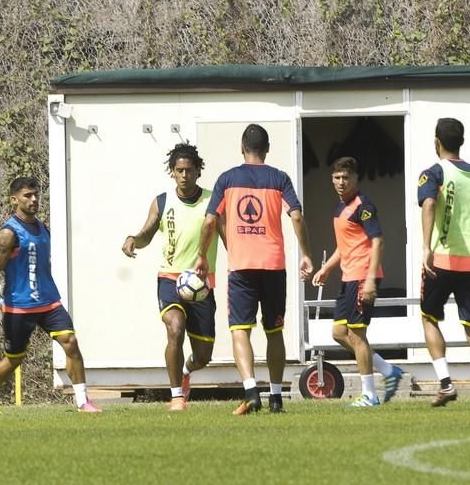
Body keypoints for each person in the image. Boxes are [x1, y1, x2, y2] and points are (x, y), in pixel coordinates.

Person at [194, 124, 313, 415]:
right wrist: (305, 254)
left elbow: (210, 222)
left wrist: (201, 256)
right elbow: (296, 216)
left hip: (241, 267)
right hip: (273, 265)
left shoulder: (227, 179)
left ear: (241, 148)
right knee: (275, 331)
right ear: (267, 148)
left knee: (239, 330)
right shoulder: (279, 178)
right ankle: (275, 397)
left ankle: (250, 391)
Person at [0, 177, 101, 413]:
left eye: (36, 194)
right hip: (19, 306)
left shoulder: (41, 227)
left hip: (49, 303)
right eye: (28, 195)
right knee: (14, 359)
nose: (34, 199)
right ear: (14, 199)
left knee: (71, 342)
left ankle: (82, 401)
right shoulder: (8, 233)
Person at [122, 143, 223, 411]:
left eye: (189, 170)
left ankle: (187, 371)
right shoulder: (162, 201)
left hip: (201, 286)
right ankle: (177, 395)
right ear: (172, 172)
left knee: (203, 356)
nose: (184, 176)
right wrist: (134, 239)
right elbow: (147, 233)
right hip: (169, 280)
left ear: (198, 171)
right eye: (179, 170)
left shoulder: (213, 200)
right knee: (175, 329)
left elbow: (228, 239)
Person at [312, 157, 403, 407]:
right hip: (348, 277)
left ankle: (369, 395)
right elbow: (344, 247)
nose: (341, 182)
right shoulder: (341, 208)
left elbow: (378, 241)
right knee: (339, 333)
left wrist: (372, 278)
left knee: (357, 334)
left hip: (362, 277)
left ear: (356, 179)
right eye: (337, 178)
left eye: (346, 178)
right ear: (332, 179)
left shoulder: (364, 206)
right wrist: (326, 269)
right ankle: (387, 369)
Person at [418, 117, 470, 410]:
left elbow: (429, 204)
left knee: (429, 318)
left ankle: (446, 384)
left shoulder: (434, 172)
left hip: (442, 259)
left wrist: (426, 246)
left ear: (436, 141)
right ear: (461, 142)